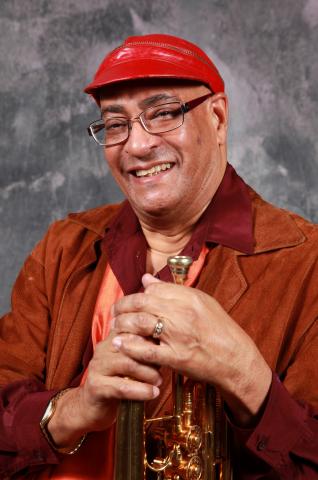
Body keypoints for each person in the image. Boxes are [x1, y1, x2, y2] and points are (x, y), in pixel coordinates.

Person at [0, 33, 318, 480]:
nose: (137, 145)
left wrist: (246, 376)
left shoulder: (309, 263)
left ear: (219, 117)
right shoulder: (63, 247)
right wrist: (73, 408)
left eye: (164, 114)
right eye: (115, 124)